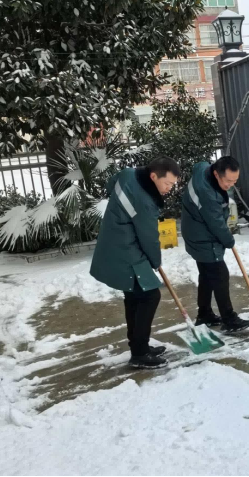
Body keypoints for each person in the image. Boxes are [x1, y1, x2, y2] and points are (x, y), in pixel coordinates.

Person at [90, 157, 180, 370]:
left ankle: (139, 346)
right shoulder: (144, 201)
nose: (169, 188)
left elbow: (111, 183)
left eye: (173, 184)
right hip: (125, 248)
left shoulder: (129, 175)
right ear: (153, 176)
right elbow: (149, 237)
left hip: (117, 241)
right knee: (150, 295)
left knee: (134, 296)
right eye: (167, 183)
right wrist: (155, 261)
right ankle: (139, 353)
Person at [181, 157, 249, 333]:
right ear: (216, 174)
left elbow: (199, 164)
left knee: (207, 275)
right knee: (220, 275)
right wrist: (229, 240)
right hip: (203, 237)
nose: (231, 185)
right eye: (228, 181)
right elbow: (216, 224)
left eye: (235, 180)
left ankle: (204, 314)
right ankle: (229, 319)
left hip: (194, 230)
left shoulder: (203, 169)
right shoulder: (207, 194)